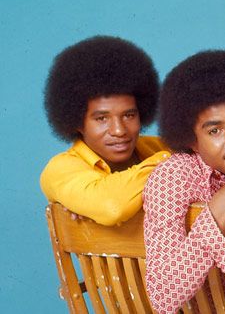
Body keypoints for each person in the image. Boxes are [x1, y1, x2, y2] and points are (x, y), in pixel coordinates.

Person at [143, 50, 225, 313]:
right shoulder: (175, 176)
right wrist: (223, 205)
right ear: (191, 139)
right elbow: (163, 296)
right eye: (215, 130)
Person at [40, 35, 168, 226]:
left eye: (129, 115)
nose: (119, 130)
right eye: (102, 118)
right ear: (77, 122)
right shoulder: (60, 169)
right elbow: (113, 207)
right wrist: (172, 163)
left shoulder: (156, 147)